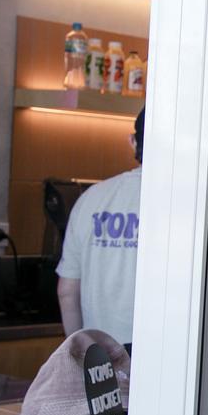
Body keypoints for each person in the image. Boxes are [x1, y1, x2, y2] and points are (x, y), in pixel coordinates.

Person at [56, 109, 144, 348]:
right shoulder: (190, 203)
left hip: (99, 353)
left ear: (133, 141)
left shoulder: (91, 198)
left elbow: (67, 290)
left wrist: (80, 355)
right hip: (164, 355)